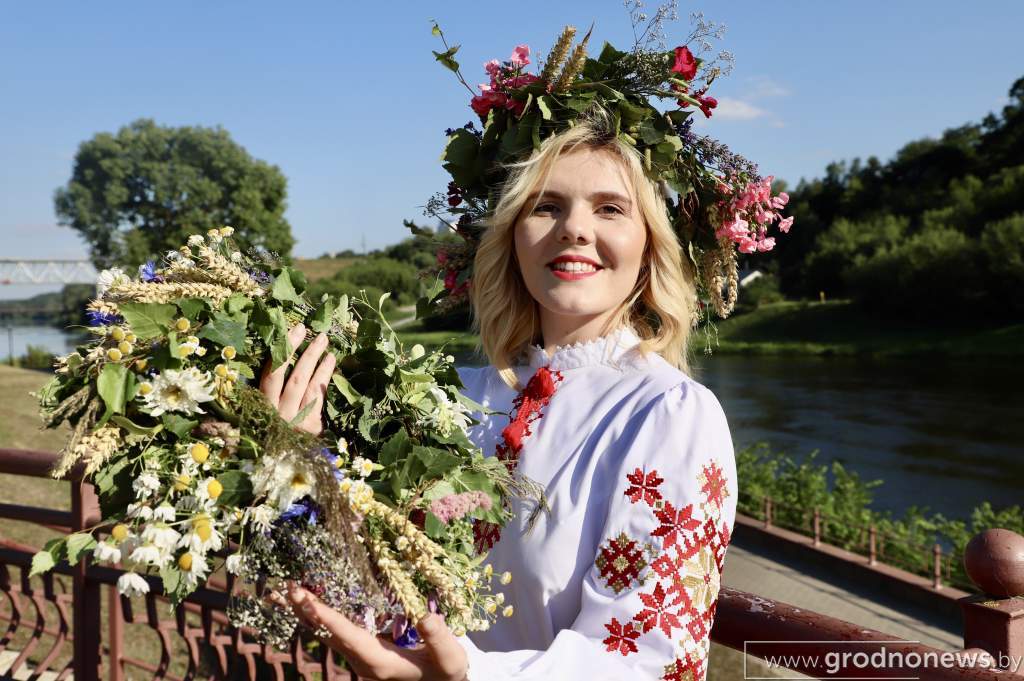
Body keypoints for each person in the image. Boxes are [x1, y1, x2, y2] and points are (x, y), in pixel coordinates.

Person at [259, 114, 738, 681]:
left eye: (610, 208)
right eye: (545, 205)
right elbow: (367, 582)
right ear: (512, 236)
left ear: (649, 244)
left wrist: (468, 675)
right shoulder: (447, 396)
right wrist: (296, 462)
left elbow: (650, 660)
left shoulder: (666, 414)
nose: (574, 229)